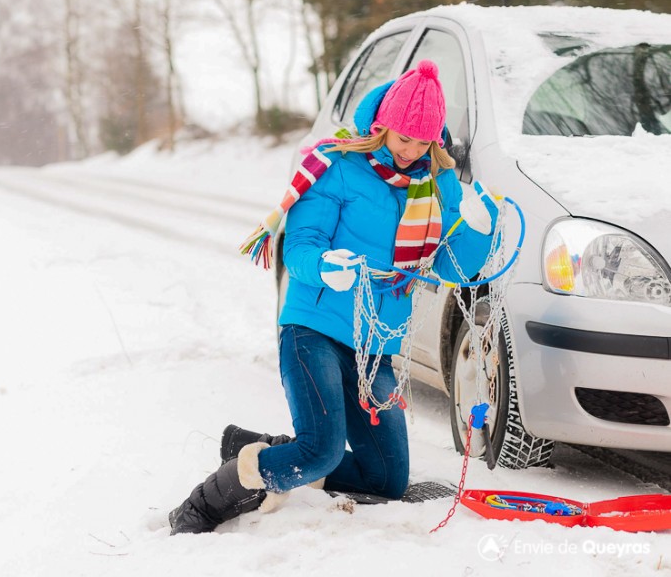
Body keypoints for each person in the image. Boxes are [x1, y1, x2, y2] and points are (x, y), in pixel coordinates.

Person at [168, 60, 499, 535]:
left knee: (386, 479)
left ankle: (272, 451)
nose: (410, 151)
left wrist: (477, 231)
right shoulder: (337, 166)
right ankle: (210, 499)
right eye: (402, 138)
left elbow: (453, 268)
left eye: (422, 141)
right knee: (322, 450)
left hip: (373, 349)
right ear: (381, 126)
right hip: (314, 329)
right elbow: (299, 247)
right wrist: (326, 266)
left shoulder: (436, 182)